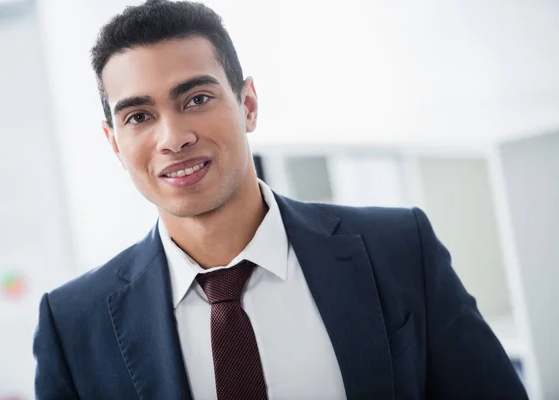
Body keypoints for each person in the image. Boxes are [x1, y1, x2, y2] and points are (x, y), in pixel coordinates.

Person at [33, 1, 528, 399]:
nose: (173, 137)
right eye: (138, 116)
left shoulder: (398, 248)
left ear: (247, 104)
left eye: (197, 100)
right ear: (114, 142)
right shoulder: (74, 325)